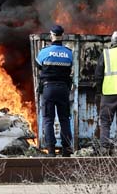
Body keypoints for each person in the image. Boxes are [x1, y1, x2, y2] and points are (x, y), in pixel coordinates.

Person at [36, 24, 73, 156]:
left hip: (48, 89)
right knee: (64, 119)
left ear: (51, 36)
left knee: (48, 120)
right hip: (63, 89)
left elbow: (38, 66)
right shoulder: (68, 53)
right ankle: (66, 150)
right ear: (62, 36)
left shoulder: (44, 52)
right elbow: (70, 67)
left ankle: (51, 150)